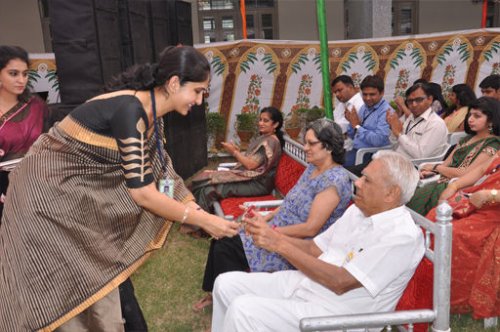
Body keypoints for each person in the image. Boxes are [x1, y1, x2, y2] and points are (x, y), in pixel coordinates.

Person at [0, 46, 239, 332]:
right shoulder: (131, 111)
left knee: (108, 279)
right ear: (174, 83)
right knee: (77, 287)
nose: (200, 101)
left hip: (73, 204)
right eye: (198, 91)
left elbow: (163, 173)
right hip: (45, 205)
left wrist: (196, 210)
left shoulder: (150, 114)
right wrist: (202, 219)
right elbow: (143, 194)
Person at [211, 150, 424, 332]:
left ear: (391, 194)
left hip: (339, 315)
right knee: (225, 284)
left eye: (367, 180)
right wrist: (271, 234)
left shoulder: (401, 236)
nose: (357, 182)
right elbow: (314, 247)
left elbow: (340, 282)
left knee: (243, 310)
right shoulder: (358, 211)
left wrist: (279, 244)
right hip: (309, 285)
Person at [194, 119, 352, 312]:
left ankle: (229, 304)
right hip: (277, 228)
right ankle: (215, 294)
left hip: (297, 243)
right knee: (223, 237)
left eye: (311, 143)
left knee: (227, 247)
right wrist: (266, 216)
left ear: (328, 147)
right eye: (305, 142)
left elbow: (311, 228)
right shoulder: (313, 167)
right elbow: (290, 202)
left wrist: (271, 231)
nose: (305, 147)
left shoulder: (335, 180)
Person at [426, 152, 499, 318]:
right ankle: (427, 290)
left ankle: (451, 298)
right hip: (481, 203)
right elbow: (481, 169)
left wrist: (492, 195)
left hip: (495, 214)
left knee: (454, 234)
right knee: (434, 217)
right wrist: (454, 186)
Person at [407, 96, 500, 215]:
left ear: (491, 121)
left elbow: (464, 173)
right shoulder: (467, 139)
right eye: (470, 115)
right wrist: (432, 172)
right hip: (442, 179)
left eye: (477, 116)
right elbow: (446, 164)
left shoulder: (493, 144)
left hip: (458, 186)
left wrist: (435, 168)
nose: (470, 119)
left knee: (415, 197)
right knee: (409, 188)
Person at [191, 107, 284, 213]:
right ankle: (198, 216)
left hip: (258, 184)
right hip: (250, 179)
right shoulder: (265, 137)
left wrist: (234, 152)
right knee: (206, 180)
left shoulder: (270, 142)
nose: (261, 123)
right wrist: (238, 151)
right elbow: (253, 158)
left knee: (209, 188)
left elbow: (251, 165)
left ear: (275, 124)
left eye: (265, 120)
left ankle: (203, 222)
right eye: (260, 119)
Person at [0, 45, 50, 219]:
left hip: (34, 185)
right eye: (13, 74)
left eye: (25, 73)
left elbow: (50, 143)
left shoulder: (36, 106)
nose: (21, 80)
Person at [387, 82, 448, 159]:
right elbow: (395, 145)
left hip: (416, 166)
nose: (414, 104)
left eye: (419, 100)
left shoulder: (435, 123)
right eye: (410, 101)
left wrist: (399, 135)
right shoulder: (411, 117)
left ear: (430, 99)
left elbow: (420, 155)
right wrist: (393, 128)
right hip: (399, 159)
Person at [344, 75, 393, 166]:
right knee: (328, 162)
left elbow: (378, 140)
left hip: (372, 154)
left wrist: (357, 126)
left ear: (382, 93)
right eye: (365, 94)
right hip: (356, 150)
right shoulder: (364, 107)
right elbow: (352, 135)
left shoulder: (386, 111)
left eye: (372, 94)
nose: (367, 98)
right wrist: (351, 122)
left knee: (337, 169)